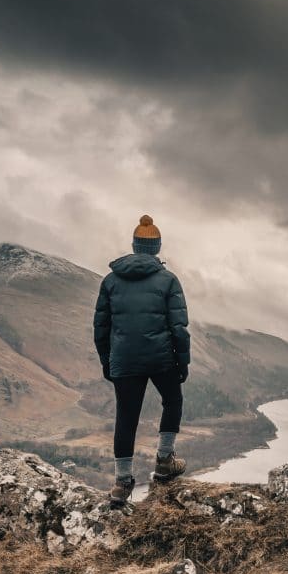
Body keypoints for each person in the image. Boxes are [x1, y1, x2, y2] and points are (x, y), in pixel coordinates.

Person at [93, 215, 190, 508]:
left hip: (124, 360)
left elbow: (101, 328)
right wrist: (182, 363)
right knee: (172, 401)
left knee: (126, 416)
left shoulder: (110, 281)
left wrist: (107, 362)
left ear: (134, 246)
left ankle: (122, 484)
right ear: (157, 247)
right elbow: (179, 328)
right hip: (161, 358)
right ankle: (164, 460)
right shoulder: (168, 280)